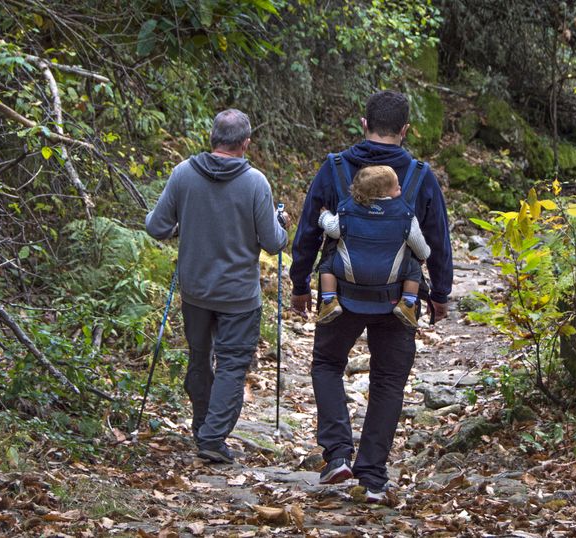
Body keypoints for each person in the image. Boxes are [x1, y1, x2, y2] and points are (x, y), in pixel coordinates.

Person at [289, 91, 453, 502]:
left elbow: (310, 227)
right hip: (400, 298)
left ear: (363, 124)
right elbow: (437, 239)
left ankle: (337, 455)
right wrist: (440, 294)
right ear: (404, 130)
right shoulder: (419, 175)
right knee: (388, 380)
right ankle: (373, 475)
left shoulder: (335, 168)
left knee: (327, 364)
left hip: (340, 293)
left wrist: (300, 284)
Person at [145, 109, 289, 464]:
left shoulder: (183, 174)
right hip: (239, 295)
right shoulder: (255, 182)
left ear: (211, 138)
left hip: (195, 290)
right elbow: (273, 242)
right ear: (246, 143)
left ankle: (202, 428)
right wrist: (281, 223)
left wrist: (184, 224)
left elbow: (156, 227)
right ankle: (211, 437)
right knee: (232, 365)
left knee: (199, 357)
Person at [315, 164, 430, 328]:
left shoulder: (347, 211)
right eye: (395, 185)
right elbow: (420, 248)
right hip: (390, 278)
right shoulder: (406, 216)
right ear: (383, 192)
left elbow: (333, 230)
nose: (400, 186)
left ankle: (329, 300)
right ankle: (407, 304)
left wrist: (324, 216)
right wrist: (424, 255)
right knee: (414, 268)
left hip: (349, 274)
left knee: (327, 265)